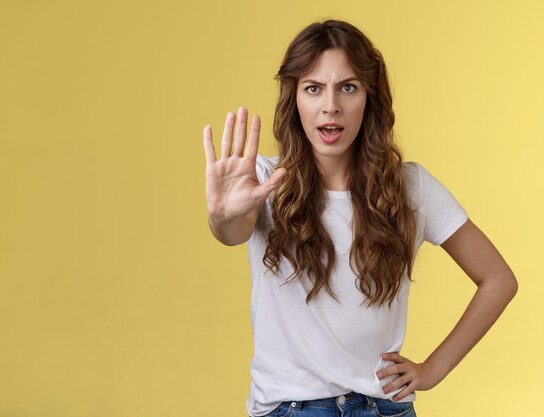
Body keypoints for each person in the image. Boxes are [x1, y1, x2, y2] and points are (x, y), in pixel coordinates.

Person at [203, 19, 518, 417]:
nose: (330, 105)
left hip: (382, 408)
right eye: (313, 88)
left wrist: (433, 370)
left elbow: (498, 279)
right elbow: (232, 231)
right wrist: (222, 215)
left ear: (370, 96)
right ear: (294, 99)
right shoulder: (264, 180)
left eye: (347, 87)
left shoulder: (410, 188)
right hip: (291, 408)